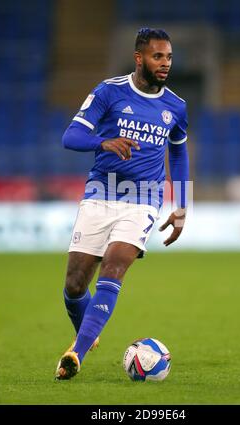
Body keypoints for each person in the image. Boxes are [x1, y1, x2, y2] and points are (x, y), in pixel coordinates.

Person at [55, 27, 189, 380]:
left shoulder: (176, 106)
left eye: (169, 57)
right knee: (74, 285)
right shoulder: (109, 92)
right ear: (139, 57)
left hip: (143, 199)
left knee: (113, 268)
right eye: (158, 56)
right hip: (101, 192)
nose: (165, 63)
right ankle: (89, 332)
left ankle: (75, 353)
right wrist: (104, 142)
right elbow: (71, 137)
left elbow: (178, 153)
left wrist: (182, 205)